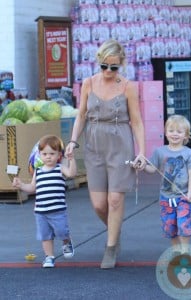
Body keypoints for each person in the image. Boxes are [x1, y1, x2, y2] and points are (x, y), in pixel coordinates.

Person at [65, 39, 146, 269]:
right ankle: (114, 230)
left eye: (114, 67)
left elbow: (137, 121)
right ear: (98, 62)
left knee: (115, 199)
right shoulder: (88, 83)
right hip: (94, 144)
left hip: (120, 143)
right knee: (99, 204)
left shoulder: (128, 86)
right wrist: (73, 141)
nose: (108, 71)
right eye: (104, 66)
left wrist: (141, 151)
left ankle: (110, 247)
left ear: (121, 65)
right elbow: (81, 115)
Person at [12, 135, 77, 268]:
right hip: (41, 212)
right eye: (44, 154)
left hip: (58, 210)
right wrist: (21, 185)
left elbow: (71, 174)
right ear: (39, 155)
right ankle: (49, 257)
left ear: (59, 154)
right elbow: (32, 188)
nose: (48, 157)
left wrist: (72, 160)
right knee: (45, 236)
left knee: (61, 232)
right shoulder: (38, 171)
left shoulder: (60, 168)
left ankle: (67, 241)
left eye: (52, 154)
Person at [144, 115, 191, 254]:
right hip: (166, 197)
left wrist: (190, 191)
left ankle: (185, 251)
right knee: (170, 227)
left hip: (183, 197)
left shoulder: (189, 153)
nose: (175, 134)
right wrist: (142, 166)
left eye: (179, 132)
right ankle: (176, 250)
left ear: (186, 135)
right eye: (171, 130)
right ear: (165, 132)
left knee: (184, 224)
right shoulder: (159, 151)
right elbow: (152, 169)